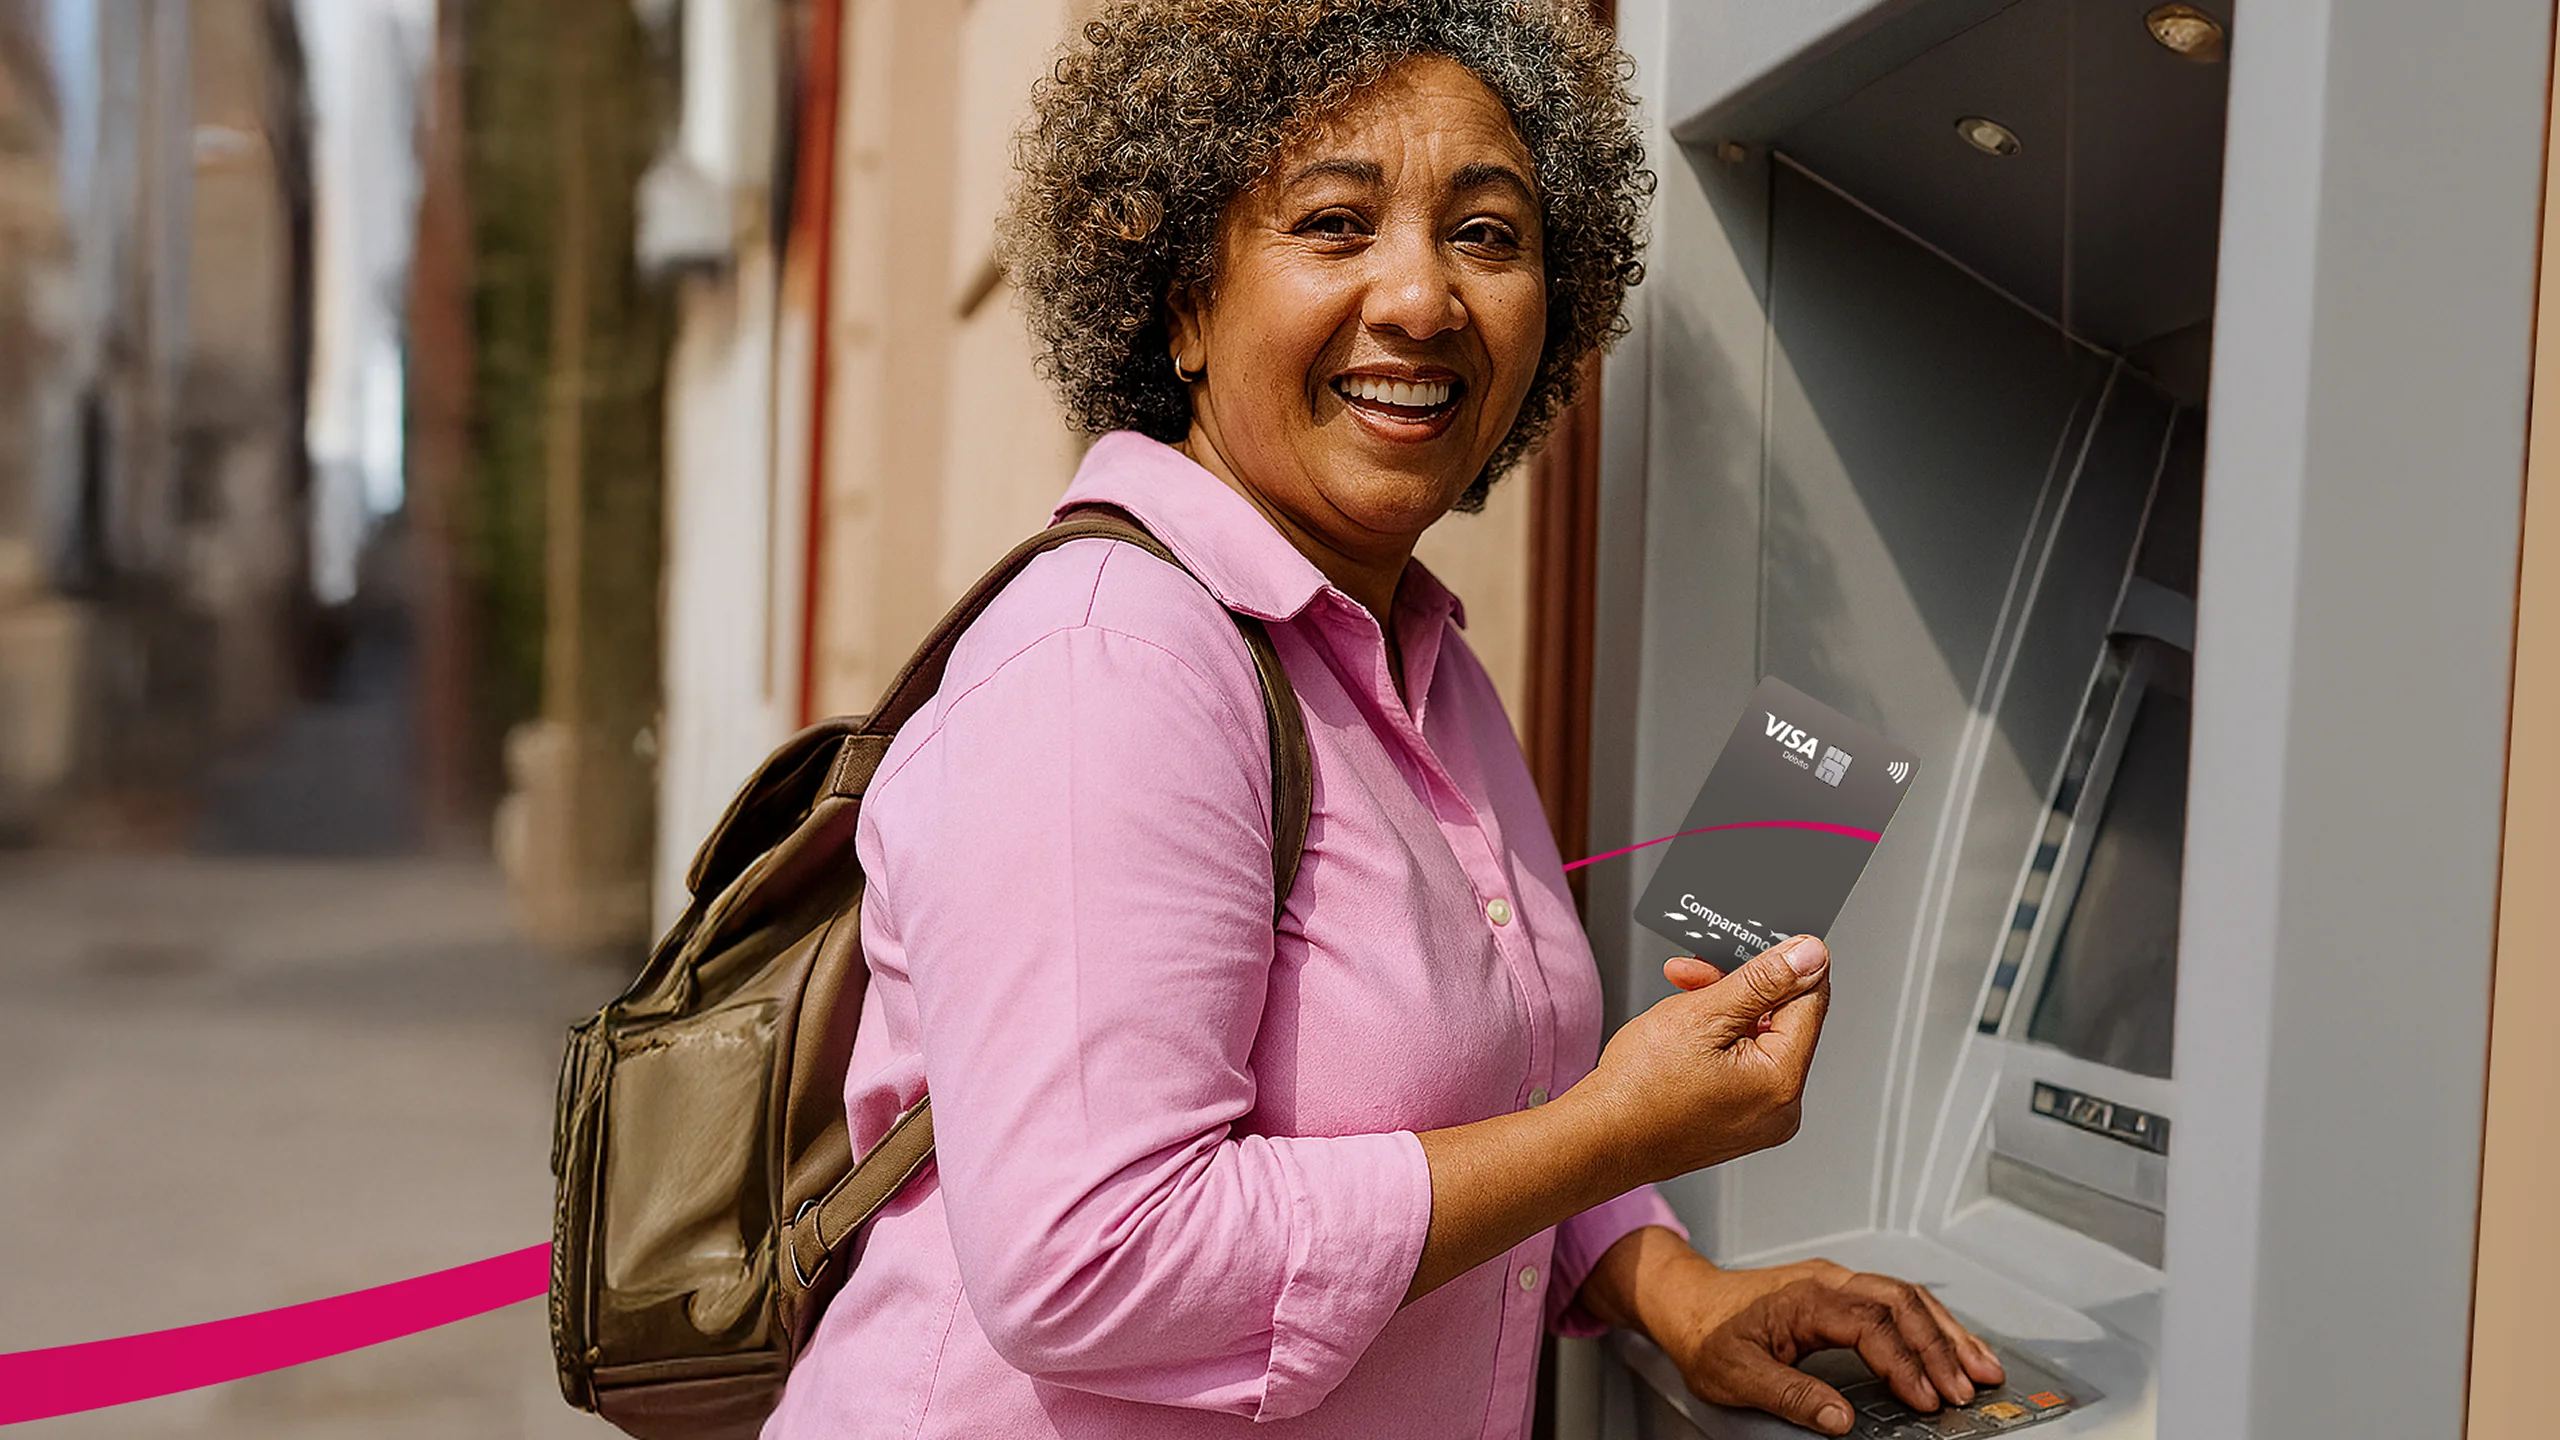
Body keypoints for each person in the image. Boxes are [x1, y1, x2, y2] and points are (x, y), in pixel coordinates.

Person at [765, 2, 2006, 1436]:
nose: (1422, 299)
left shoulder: (1421, 664)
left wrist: (1670, 1284)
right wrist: (1609, 1132)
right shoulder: (1112, 664)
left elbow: (1490, 1095)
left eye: (1488, 234)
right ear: (1182, 298)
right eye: (1336, 224)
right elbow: (1090, 1263)